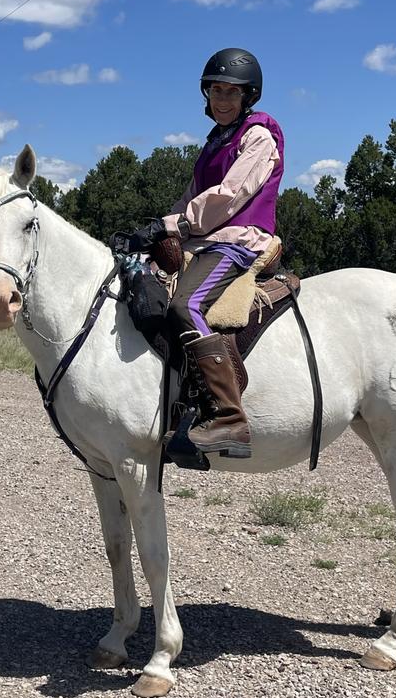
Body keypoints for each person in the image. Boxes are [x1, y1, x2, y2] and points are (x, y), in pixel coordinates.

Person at [115, 47, 284, 459]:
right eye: (215, 90)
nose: (222, 99)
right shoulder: (214, 144)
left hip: (237, 242)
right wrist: (152, 233)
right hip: (204, 240)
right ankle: (178, 405)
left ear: (248, 97)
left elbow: (228, 197)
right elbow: (189, 200)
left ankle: (230, 419)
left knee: (185, 306)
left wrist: (173, 225)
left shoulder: (258, 136)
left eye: (231, 92)